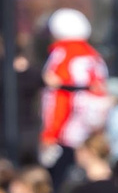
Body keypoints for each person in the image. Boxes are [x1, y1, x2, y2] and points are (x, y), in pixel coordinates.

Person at [38, 9, 109, 179]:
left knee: (58, 180)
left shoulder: (62, 55)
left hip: (67, 134)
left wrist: (50, 134)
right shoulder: (94, 56)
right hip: (92, 132)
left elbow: (59, 97)